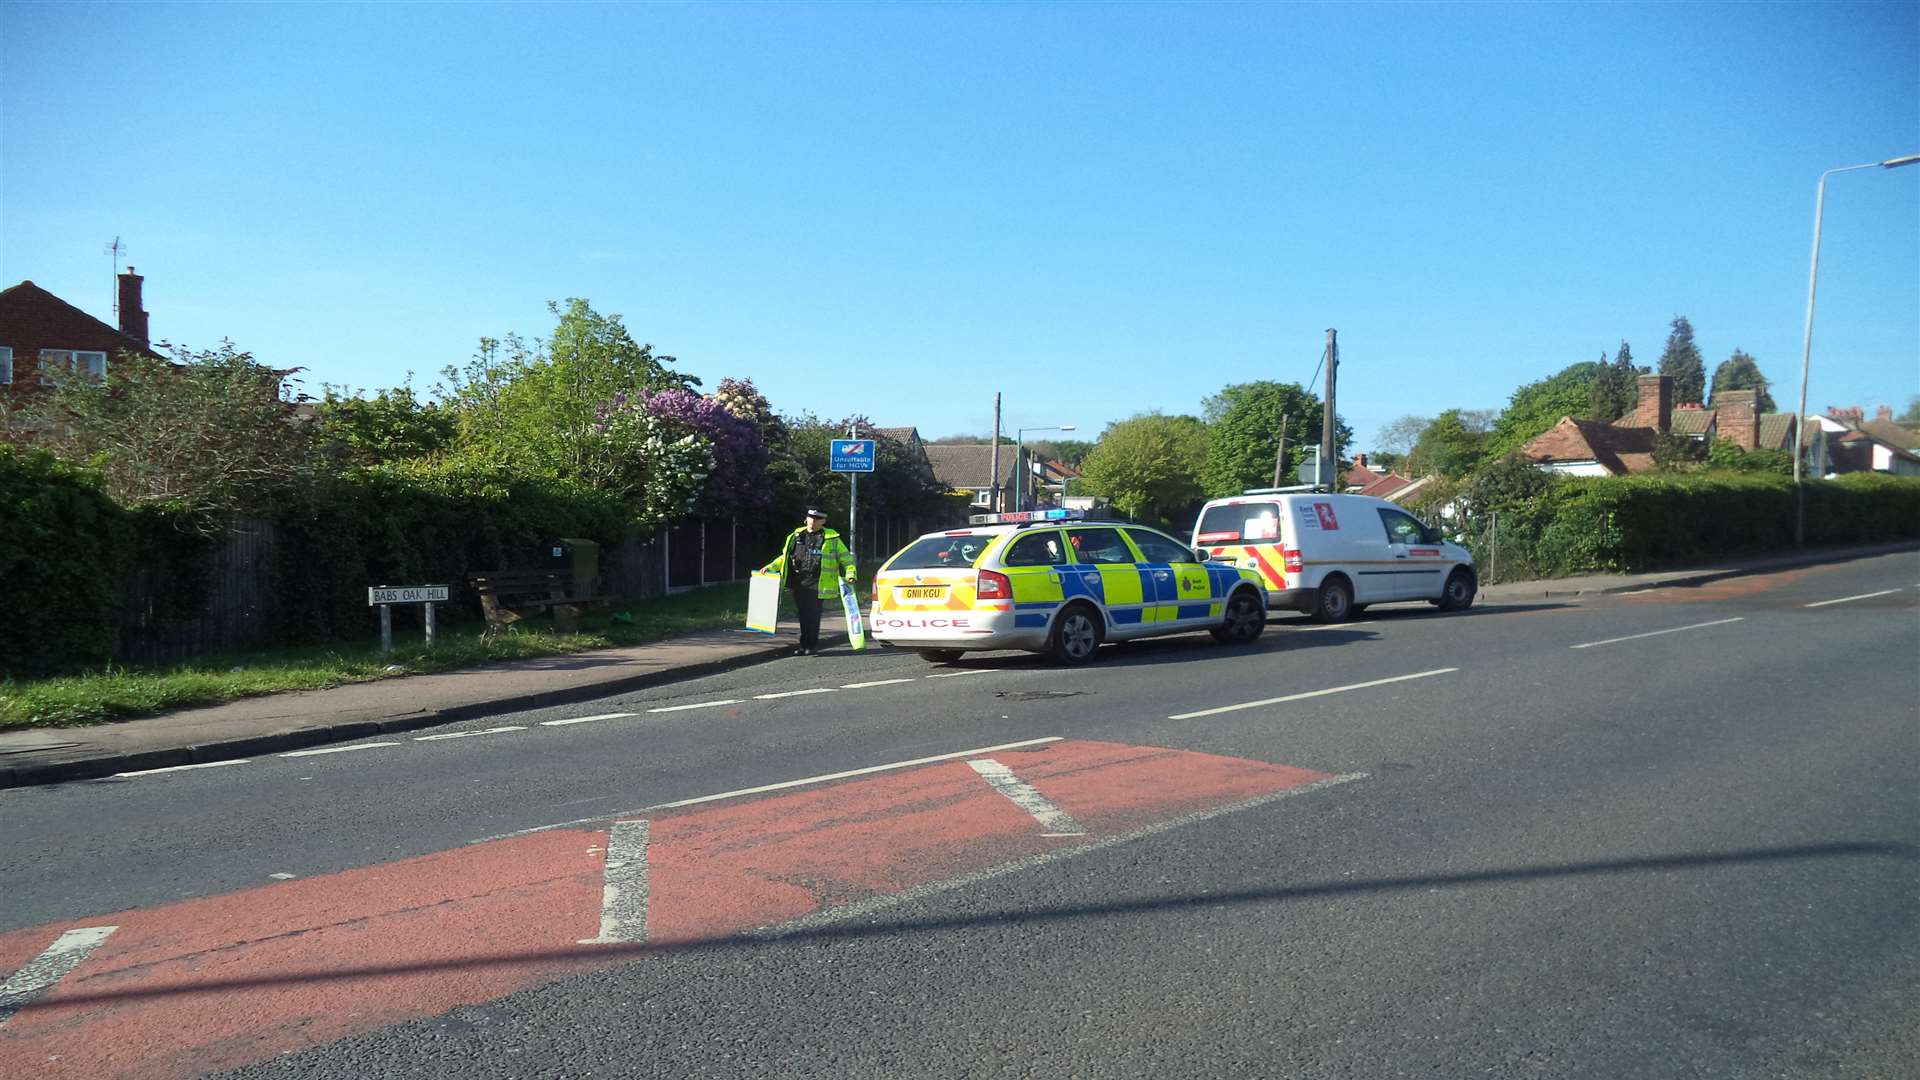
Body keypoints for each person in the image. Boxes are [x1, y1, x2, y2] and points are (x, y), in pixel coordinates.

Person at [760, 507, 856, 656]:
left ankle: (811, 645)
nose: (813, 521)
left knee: (813, 614)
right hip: (799, 581)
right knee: (803, 614)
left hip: (819, 582)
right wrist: (771, 566)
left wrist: (851, 574)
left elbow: (846, 559)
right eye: (811, 517)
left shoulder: (831, 538)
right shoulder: (796, 535)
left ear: (823, 521)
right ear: (806, 519)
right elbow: (784, 557)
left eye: (817, 518)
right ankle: (804, 645)